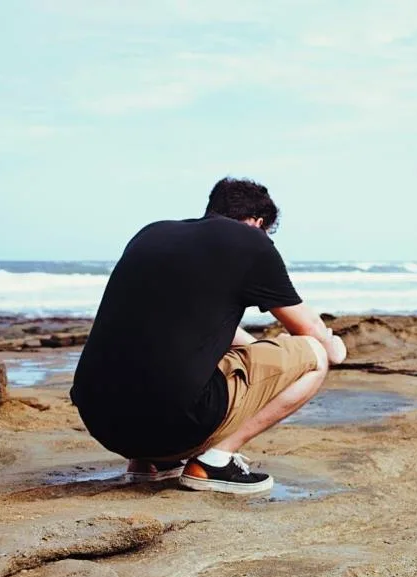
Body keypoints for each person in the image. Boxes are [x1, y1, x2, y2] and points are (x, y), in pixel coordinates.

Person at [69, 177, 347, 495]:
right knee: (314, 356)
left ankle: (150, 463)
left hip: (103, 424)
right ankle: (214, 463)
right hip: (175, 426)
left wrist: (260, 353)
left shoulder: (152, 233)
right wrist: (334, 348)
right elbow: (308, 331)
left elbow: (198, 325)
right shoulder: (251, 241)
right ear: (258, 223)